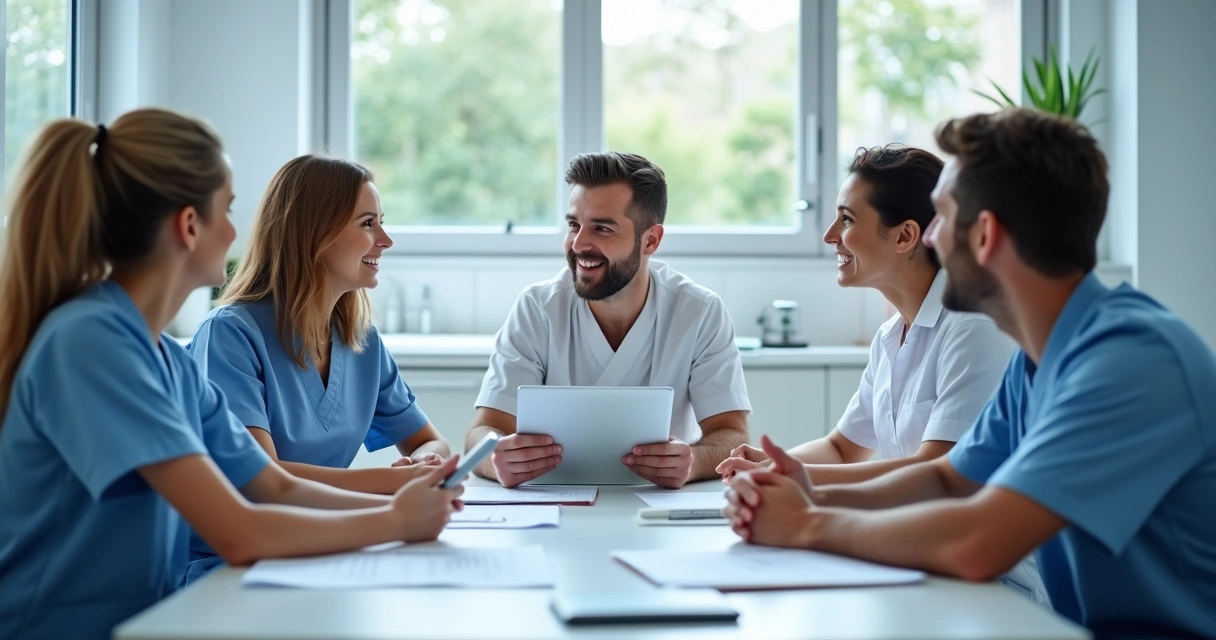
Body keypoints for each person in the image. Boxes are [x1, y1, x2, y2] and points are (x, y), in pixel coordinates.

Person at [725, 108, 1216, 636]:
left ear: (984, 234)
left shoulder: (1131, 359)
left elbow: (976, 542)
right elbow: (948, 478)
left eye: (940, 216)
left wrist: (806, 523)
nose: (930, 238)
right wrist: (808, 488)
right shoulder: (1038, 361)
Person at [0, 110, 462, 640]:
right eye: (229, 209)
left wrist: (409, 505)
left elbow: (275, 487)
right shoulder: (90, 342)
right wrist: (396, 520)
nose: (237, 231)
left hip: (149, 620)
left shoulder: (168, 362)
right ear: (189, 225)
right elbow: (239, 531)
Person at [715, 146, 1045, 603]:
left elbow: (938, 473)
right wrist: (773, 466)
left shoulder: (974, 328)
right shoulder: (892, 335)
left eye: (847, 220)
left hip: (991, 585)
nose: (831, 235)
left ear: (906, 235)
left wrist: (797, 480)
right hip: (913, 557)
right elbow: (842, 446)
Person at [182, 154, 450, 582]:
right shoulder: (231, 336)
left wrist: (420, 466)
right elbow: (263, 480)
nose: (385, 239)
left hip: (319, 551)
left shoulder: (360, 340)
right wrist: (393, 487)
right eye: (367, 224)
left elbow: (431, 443)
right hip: (229, 568)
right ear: (315, 234)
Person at [466, 151, 751, 489]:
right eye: (574, 225)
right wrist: (494, 457)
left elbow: (731, 433)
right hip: (551, 502)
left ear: (651, 240)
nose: (579, 244)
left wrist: (694, 462)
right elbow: (482, 431)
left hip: (659, 505)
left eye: (602, 228)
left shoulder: (699, 312)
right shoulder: (537, 308)